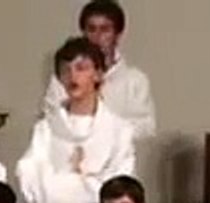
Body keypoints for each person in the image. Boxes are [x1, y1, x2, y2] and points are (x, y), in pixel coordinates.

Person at [17, 37, 135, 203]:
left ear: (98, 74)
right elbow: (31, 183)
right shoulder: (46, 129)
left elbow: (116, 189)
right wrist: (87, 185)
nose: (73, 77)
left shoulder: (119, 131)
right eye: (66, 70)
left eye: (81, 68)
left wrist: (58, 186)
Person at [43, 0, 155, 140]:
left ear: (117, 35)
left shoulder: (135, 81)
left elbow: (145, 128)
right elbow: (51, 120)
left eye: (105, 29)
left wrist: (104, 131)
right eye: (91, 29)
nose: (97, 37)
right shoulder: (65, 78)